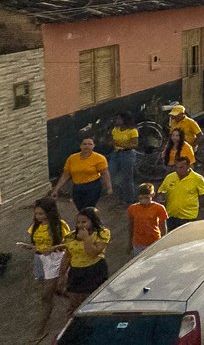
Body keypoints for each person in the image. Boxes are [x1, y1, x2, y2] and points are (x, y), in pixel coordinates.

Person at [23, 197, 69, 342]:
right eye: (37, 214)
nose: (39, 217)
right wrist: (32, 248)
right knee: (53, 291)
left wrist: (52, 249)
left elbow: (67, 245)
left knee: (46, 296)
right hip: (40, 260)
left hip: (55, 260)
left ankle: (40, 331)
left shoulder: (60, 225)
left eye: (42, 214)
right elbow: (37, 244)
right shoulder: (35, 226)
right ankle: (74, 300)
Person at [58, 206, 110, 313]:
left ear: (93, 221)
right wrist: (62, 275)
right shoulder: (70, 237)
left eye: (84, 222)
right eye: (78, 222)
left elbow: (93, 253)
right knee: (74, 304)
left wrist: (86, 239)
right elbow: (67, 256)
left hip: (94, 270)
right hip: (76, 271)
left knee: (94, 301)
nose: (81, 225)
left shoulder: (102, 233)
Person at [52, 137, 112, 210]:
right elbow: (65, 175)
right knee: (80, 208)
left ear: (93, 146)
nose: (87, 146)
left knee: (88, 208)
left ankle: (91, 220)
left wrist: (109, 187)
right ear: (80, 146)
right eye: (84, 144)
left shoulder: (99, 158)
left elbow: (105, 174)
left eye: (90, 144)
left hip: (92, 186)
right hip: (77, 187)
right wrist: (56, 189)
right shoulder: (72, 158)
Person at [157, 157, 204, 231]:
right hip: (171, 215)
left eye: (181, 167)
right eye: (176, 167)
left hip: (188, 217)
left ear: (188, 166)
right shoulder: (169, 177)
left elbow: (203, 195)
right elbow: (160, 192)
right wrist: (161, 196)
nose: (178, 170)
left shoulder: (198, 178)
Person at [127, 182, 168, 255]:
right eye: (141, 198)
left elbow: (163, 226)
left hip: (154, 241)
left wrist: (164, 241)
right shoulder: (132, 208)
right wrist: (130, 243)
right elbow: (131, 226)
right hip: (138, 243)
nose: (143, 201)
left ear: (152, 195)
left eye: (146, 198)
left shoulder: (159, 208)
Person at [107, 111, 139, 205]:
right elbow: (111, 140)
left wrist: (119, 144)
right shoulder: (115, 129)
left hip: (127, 154)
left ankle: (129, 199)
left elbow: (134, 144)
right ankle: (121, 195)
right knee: (111, 173)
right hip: (116, 153)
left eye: (119, 119)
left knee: (127, 178)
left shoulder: (132, 131)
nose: (117, 120)